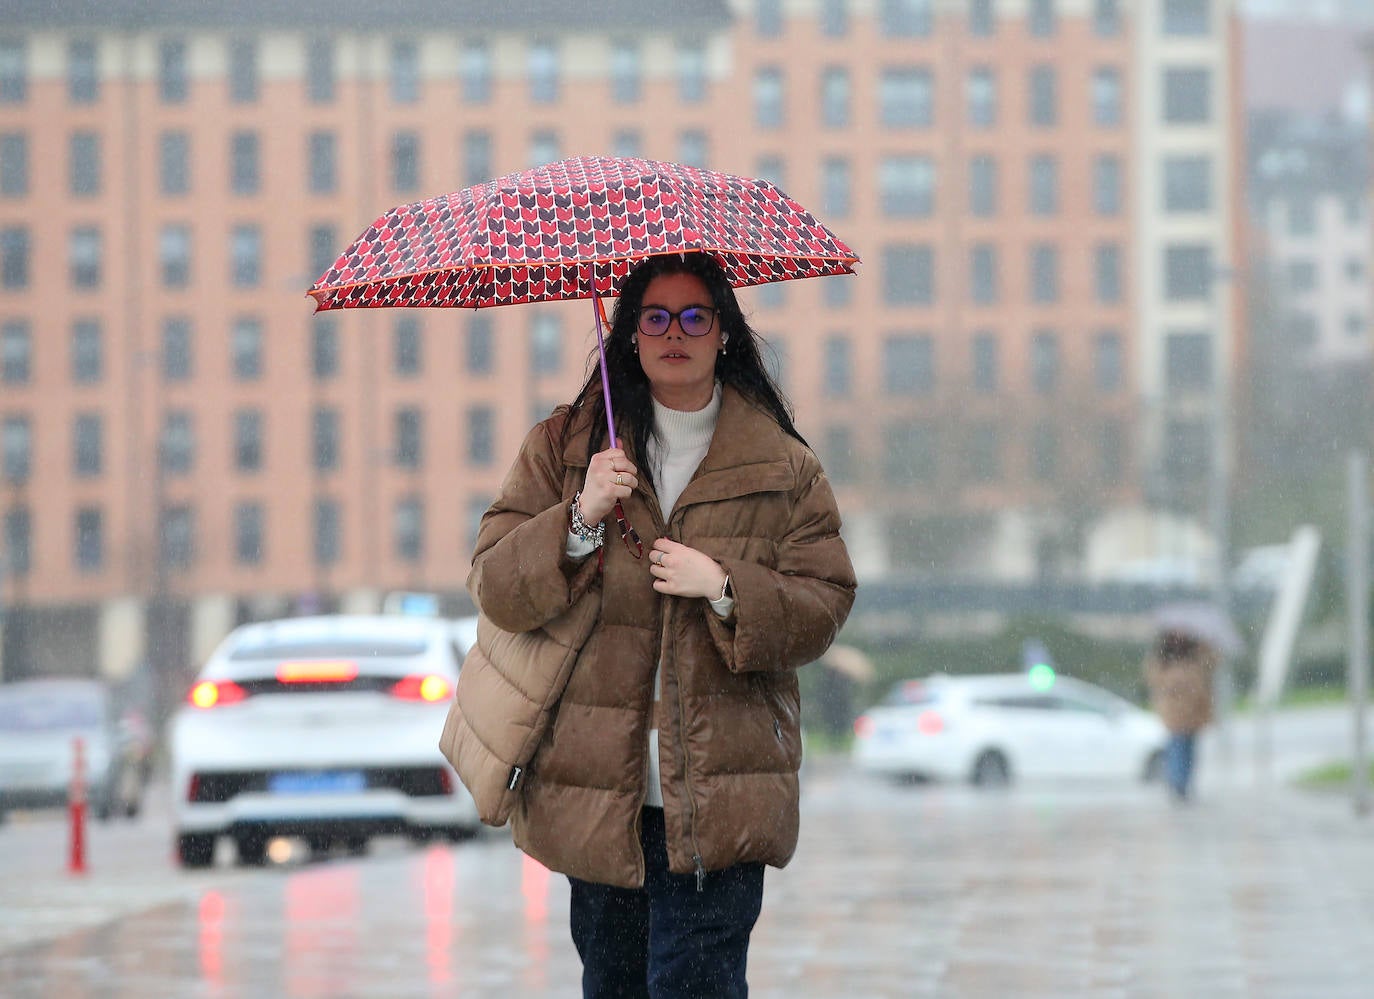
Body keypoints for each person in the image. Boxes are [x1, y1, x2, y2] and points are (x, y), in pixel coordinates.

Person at [451, 252, 856, 998]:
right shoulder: (567, 447)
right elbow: (497, 585)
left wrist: (729, 587)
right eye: (657, 317)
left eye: (696, 315)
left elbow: (825, 600)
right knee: (614, 983)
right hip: (603, 792)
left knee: (695, 985)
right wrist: (578, 518)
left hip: (720, 794)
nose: (676, 333)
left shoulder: (782, 463)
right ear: (630, 334)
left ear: (724, 333)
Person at [1143, 629, 1219, 802]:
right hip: (1174, 710)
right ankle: (1177, 784)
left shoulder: (1197, 652)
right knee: (1178, 745)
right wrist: (1176, 682)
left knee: (1189, 748)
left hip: (1194, 709)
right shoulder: (1163, 657)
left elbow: (1212, 665)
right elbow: (1153, 677)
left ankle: (1183, 783)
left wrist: (1204, 646)